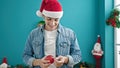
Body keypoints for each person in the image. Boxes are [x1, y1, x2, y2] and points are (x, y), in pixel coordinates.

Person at [23, 0, 81, 68]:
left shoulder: (70, 34)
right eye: (49, 19)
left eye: (56, 20)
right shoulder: (33, 34)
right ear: (44, 16)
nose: (52, 23)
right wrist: (39, 62)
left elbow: (77, 55)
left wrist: (65, 59)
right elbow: (26, 56)